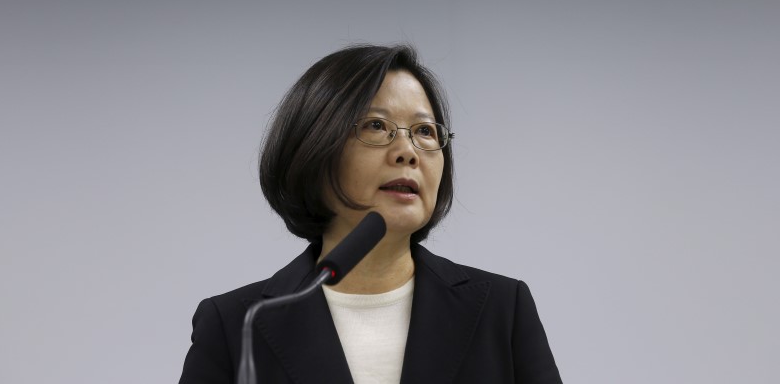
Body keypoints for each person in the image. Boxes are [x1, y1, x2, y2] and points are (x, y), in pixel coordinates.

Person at [178, 44, 562, 384]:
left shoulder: (502, 309)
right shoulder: (237, 325)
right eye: (376, 126)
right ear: (313, 148)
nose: (407, 151)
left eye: (425, 131)